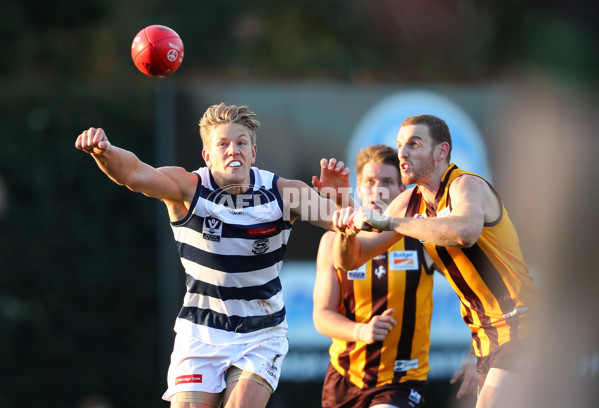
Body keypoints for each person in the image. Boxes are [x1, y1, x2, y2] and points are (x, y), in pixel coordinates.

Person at [75, 103, 349, 408]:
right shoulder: (188, 188)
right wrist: (105, 151)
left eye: (242, 143)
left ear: (253, 153)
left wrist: (340, 198)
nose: (234, 150)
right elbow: (135, 174)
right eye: (223, 144)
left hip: (260, 332)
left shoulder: (284, 193)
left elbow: (347, 224)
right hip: (201, 332)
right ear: (207, 155)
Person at [325, 114, 537, 408]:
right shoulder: (410, 202)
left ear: (441, 151)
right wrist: (344, 225)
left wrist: (389, 222)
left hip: (522, 325)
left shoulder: (465, 185)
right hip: (487, 338)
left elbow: (465, 232)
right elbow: (352, 260)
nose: (402, 154)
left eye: (414, 144)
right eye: (400, 146)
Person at [313, 144, 477, 408]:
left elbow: (477, 293)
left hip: (401, 381)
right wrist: (361, 331)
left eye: (388, 182)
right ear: (358, 187)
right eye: (370, 182)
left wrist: (476, 356)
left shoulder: (421, 238)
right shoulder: (333, 241)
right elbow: (322, 316)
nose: (378, 189)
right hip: (344, 378)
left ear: (403, 190)